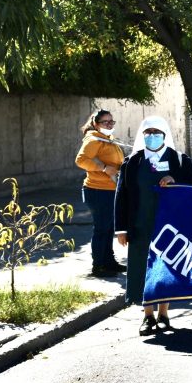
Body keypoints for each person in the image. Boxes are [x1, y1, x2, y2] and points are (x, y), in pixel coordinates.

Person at [114, 116, 192, 336]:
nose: (152, 136)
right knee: (142, 269)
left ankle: (164, 314)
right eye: (148, 132)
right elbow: (121, 195)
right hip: (140, 225)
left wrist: (175, 180)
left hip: (171, 227)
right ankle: (147, 316)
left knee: (167, 268)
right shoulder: (133, 162)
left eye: (157, 132)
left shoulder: (180, 160)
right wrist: (121, 229)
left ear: (165, 135)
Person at [75, 109, 126, 277]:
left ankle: (109, 262)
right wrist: (103, 168)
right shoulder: (93, 140)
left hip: (110, 190)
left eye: (112, 121)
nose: (110, 124)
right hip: (98, 190)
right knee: (102, 228)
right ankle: (99, 265)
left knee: (109, 228)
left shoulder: (107, 139)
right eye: (106, 122)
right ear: (96, 124)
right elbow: (81, 160)